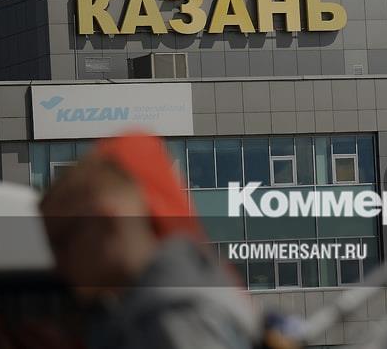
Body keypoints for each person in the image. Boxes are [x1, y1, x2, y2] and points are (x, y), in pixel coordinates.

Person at [35, 131, 265, 349]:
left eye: (61, 241)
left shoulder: (171, 321)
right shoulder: (168, 305)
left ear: (106, 221)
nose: (58, 263)